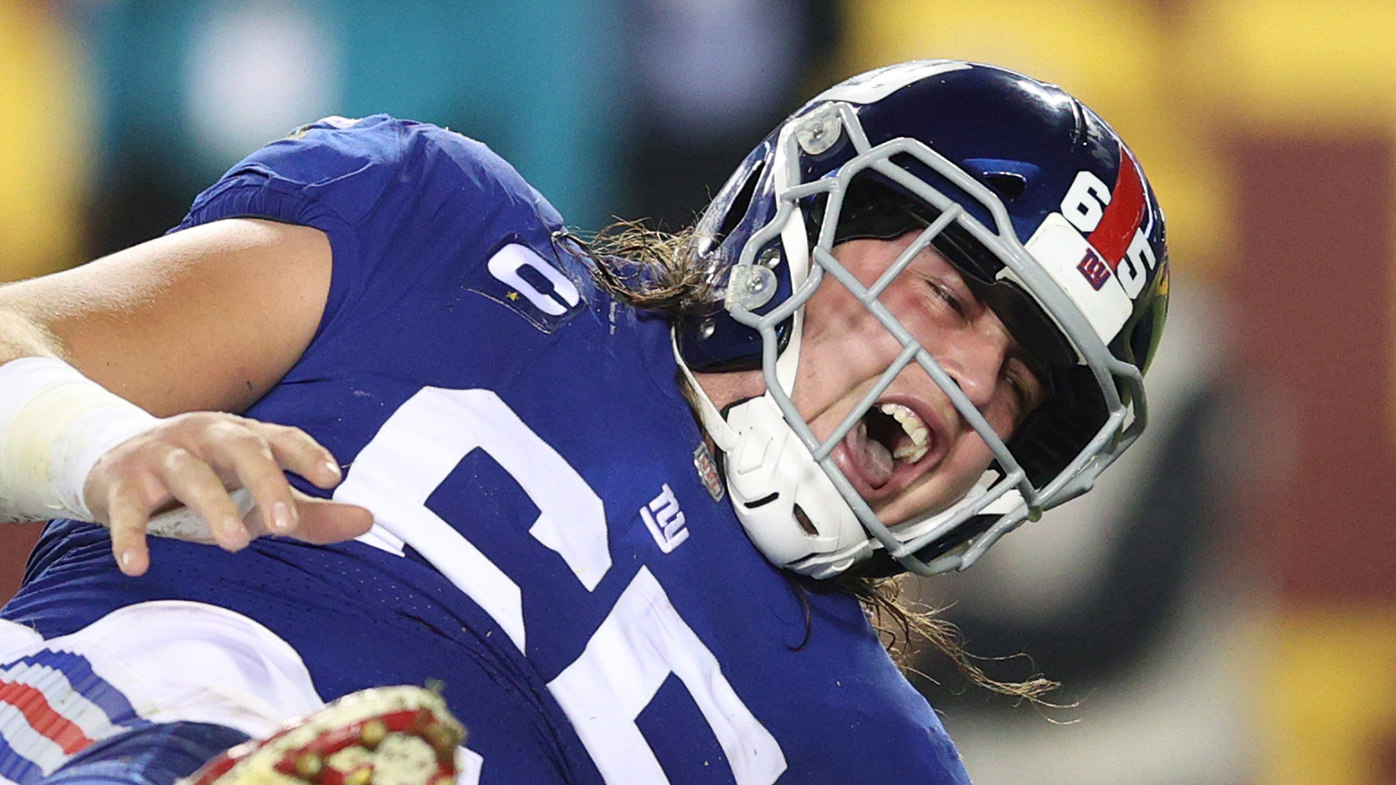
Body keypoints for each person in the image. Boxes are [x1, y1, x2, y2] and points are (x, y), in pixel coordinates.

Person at [0, 59, 1168, 785]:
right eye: (951, 295)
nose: (963, 376)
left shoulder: (874, 755)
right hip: (91, 717)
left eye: (1017, 388)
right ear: (799, 218)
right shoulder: (440, 229)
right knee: (211, 683)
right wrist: (99, 442)